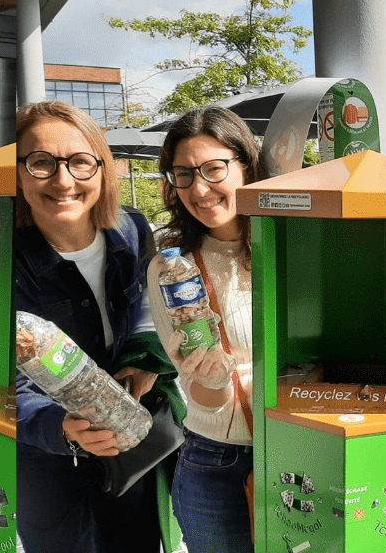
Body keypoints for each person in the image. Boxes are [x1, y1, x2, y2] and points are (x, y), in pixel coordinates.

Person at [0, 100, 173, 551]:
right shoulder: (3, 260)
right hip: (50, 463)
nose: (62, 180)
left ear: (102, 168)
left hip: (133, 441)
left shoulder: (133, 231)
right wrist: (59, 426)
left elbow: (153, 317)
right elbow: (0, 377)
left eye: (79, 162)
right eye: (41, 162)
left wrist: (145, 362)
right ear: (17, 171)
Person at [146, 105, 262, 553]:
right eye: (184, 175)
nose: (200, 188)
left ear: (246, 166)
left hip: (301, 446)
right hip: (214, 460)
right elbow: (198, 393)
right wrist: (213, 381)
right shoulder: (173, 269)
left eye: (214, 169)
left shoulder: (295, 245)